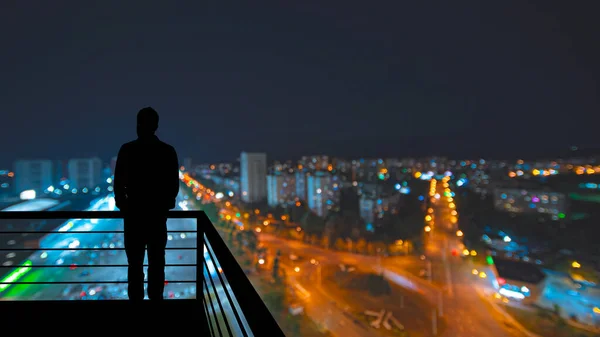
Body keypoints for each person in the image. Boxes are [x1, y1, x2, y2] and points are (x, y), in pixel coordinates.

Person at [114, 107, 180, 300]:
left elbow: (118, 184)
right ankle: (155, 306)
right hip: (157, 218)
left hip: (134, 217)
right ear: (156, 126)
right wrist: (162, 206)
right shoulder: (167, 151)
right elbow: (173, 187)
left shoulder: (127, 150)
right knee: (157, 264)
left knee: (135, 266)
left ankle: (137, 307)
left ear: (138, 125)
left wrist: (125, 207)